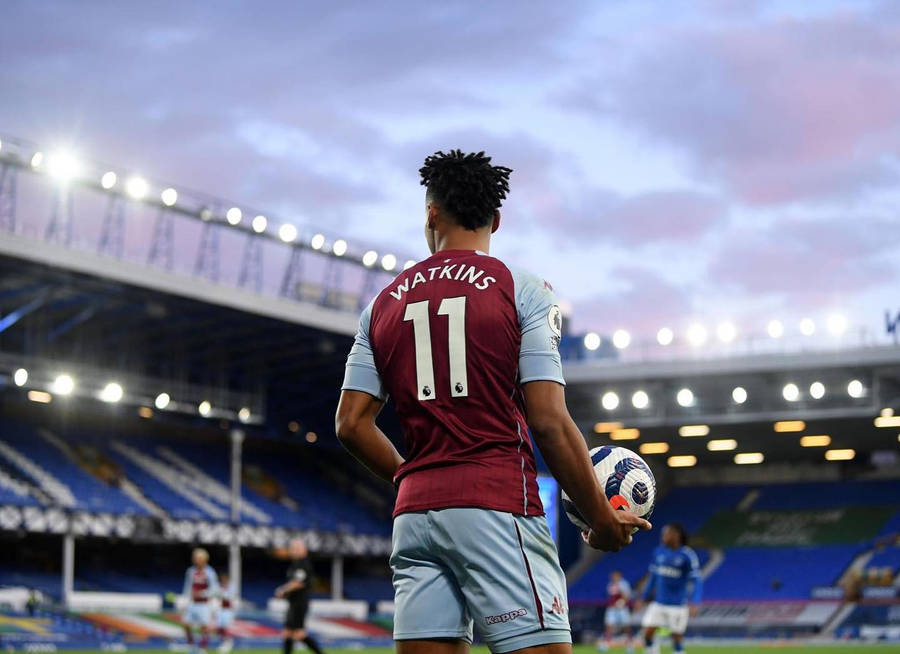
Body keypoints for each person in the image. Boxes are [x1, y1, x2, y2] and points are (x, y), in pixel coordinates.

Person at [336, 149, 651, 654]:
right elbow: (547, 420)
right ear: (495, 220)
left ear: (431, 214)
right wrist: (601, 518)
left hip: (414, 517)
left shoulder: (382, 303)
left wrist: (411, 476)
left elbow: (351, 425)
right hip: (496, 505)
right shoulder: (521, 289)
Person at [635, 523, 702, 654]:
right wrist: (643, 598)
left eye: (666, 534)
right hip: (659, 604)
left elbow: (697, 580)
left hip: (678, 606)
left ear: (676, 535)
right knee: (647, 633)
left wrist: (695, 601)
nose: (663, 537)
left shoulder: (687, 555)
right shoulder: (658, 552)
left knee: (677, 640)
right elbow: (653, 578)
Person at [275, 538, 325, 654]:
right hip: (293, 602)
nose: (293, 551)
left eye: (296, 548)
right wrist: (286, 593)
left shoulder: (303, 563)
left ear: (304, 550)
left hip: (300, 603)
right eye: (292, 548)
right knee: (287, 632)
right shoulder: (295, 564)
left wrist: (283, 590)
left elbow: (298, 582)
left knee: (298, 634)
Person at [182, 548, 219, 654]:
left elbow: (215, 589)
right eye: (194, 558)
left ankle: (203, 648)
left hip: (204, 604)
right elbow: (188, 586)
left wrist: (202, 593)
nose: (195, 560)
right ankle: (191, 645)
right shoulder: (191, 571)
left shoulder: (210, 572)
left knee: (205, 627)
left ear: (204, 559)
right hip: (192, 603)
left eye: (197, 558)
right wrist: (185, 600)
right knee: (186, 624)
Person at [599, 571, 633, 653]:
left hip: (622, 608)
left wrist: (622, 601)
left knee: (626, 627)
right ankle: (605, 645)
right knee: (609, 626)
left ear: (619, 575)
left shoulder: (623, 584)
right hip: (612, 608)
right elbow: (610, 596)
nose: (613, 577)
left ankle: (629, 645)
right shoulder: (610, 584)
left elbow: (628, 595)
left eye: (615, 575)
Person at [215, 572, 236, 654]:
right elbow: (215, 595)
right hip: (220, 609)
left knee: (225, 627)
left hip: (228, 610)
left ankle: (228, 642)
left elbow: (229, 597)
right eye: (222, 578)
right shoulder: (218, 586)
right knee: (219, 628)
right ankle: (224, 642)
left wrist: (222, 594)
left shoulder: (231, 586)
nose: (223, 579)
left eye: (225, 578)